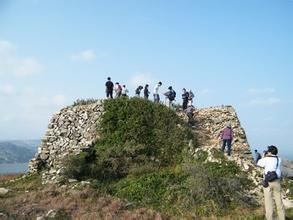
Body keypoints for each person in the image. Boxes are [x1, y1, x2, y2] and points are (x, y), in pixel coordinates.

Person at [257, 145, 285, 220]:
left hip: (268, 182)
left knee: (268, 202)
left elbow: (258, 163)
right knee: (279, 202)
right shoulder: (279, 159)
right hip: (277, 181)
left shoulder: (266, 159)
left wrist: (263, 156)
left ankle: (270, 218)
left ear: (269, 152)